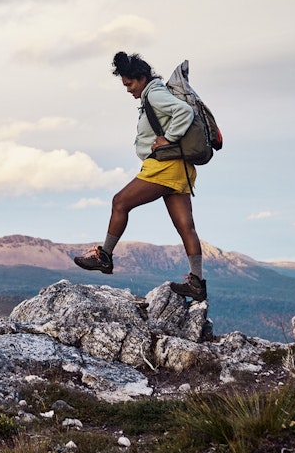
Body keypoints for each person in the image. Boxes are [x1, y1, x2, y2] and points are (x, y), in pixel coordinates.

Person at [73, 51, 209, 301]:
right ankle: (196, 283)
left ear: (142, 78)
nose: (128, 90)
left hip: (164, 166)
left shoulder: (154, 94)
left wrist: (169, 138)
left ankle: (105, 257)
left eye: (130, 84)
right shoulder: (154, 94)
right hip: (180, 168)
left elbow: (184, 112)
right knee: (186, 227)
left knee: (119, 202)